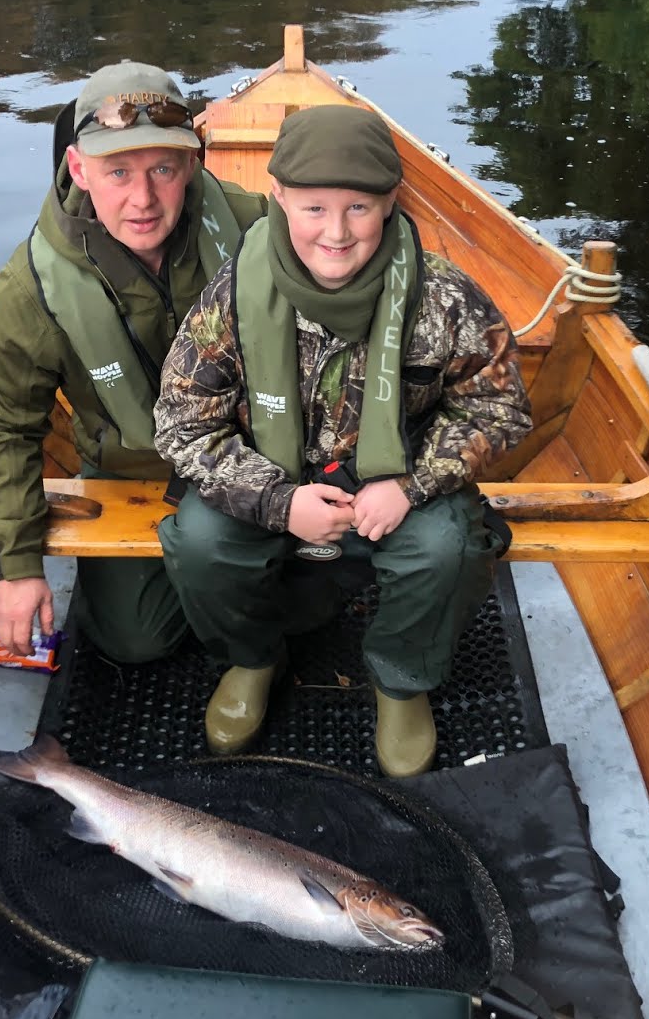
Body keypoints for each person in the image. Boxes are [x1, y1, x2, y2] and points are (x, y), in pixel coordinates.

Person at [152, 104, 532, 777]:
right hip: (271, 478)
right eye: (314, 208)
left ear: (389, 203)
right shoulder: (233, 296)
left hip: (396, 479)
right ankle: (253, 658)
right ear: (279, 200)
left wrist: (412, 484)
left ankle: (400, 680)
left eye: (357, 208)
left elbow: (498, 409)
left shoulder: (444, 298)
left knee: (448, 547)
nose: (335, 232)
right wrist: (278, 502)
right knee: (201, 541)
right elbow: (183, 424)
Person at [0, 62, 267, 663]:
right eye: (118, 172)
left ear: (191, 164)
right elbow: (6, 426)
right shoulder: (32, 288)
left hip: (253, 455)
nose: (143, 199)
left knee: (301, 592)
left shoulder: (250, 224)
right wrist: (17, 564)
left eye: (163, 168)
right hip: (134, 472)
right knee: (134, 643)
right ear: (79, 168)